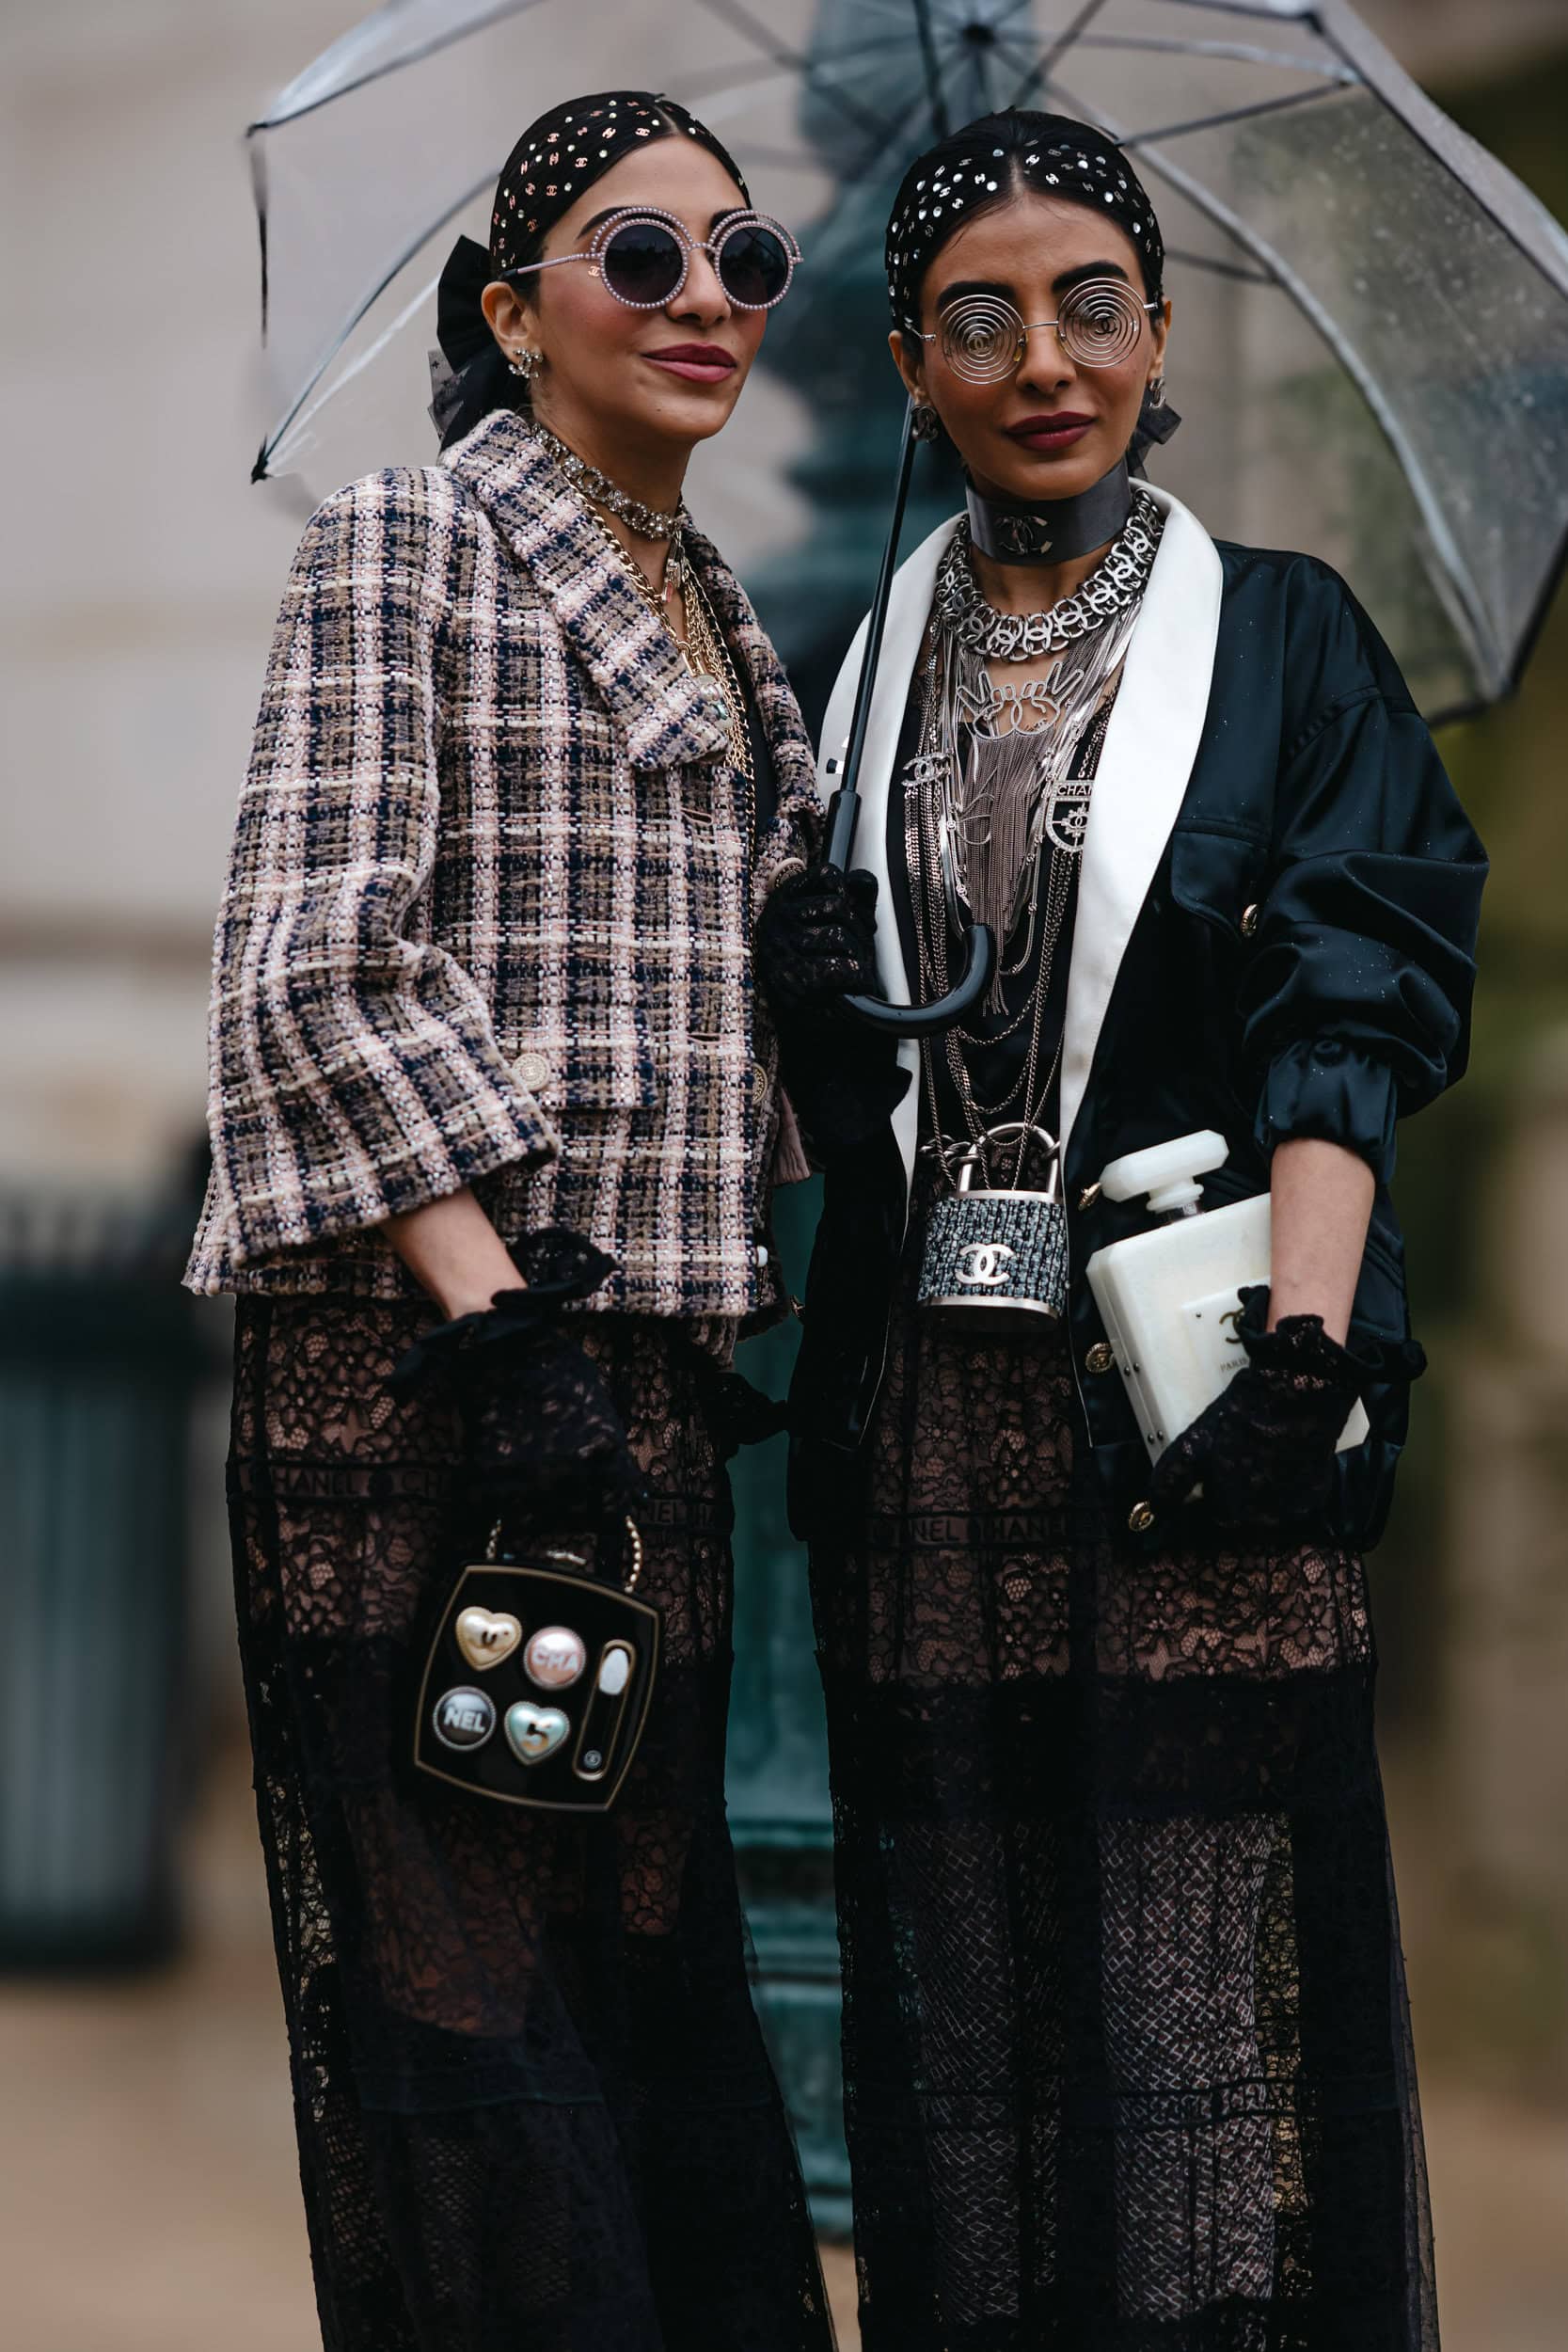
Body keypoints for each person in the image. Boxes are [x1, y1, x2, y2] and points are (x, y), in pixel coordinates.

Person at [759, 107, 1484, 2351]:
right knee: (970, 2027)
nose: (1045, 359)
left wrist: (1305, 1353)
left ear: (1159, 333)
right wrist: (809, 1013)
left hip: (1194, 1412)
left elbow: (1350, 1012)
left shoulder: (1284, 639)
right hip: (926, 1428)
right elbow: (848, 1113)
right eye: (981, 319)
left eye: (1092, 306)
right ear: (911, 364)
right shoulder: (851, 672)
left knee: (1198, 2036)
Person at [188, 88, 834, 2352]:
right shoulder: (411, 539)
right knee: (472, 2002)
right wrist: (498, 1316)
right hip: (435, 1368)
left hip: (638, 1382)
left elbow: (708, 1032)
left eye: (744, 260)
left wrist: (818, 966)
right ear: (515, 308)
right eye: (641, 255)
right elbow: (309, 963)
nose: (704, 298)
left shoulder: (733, 627)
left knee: (636, 1975)